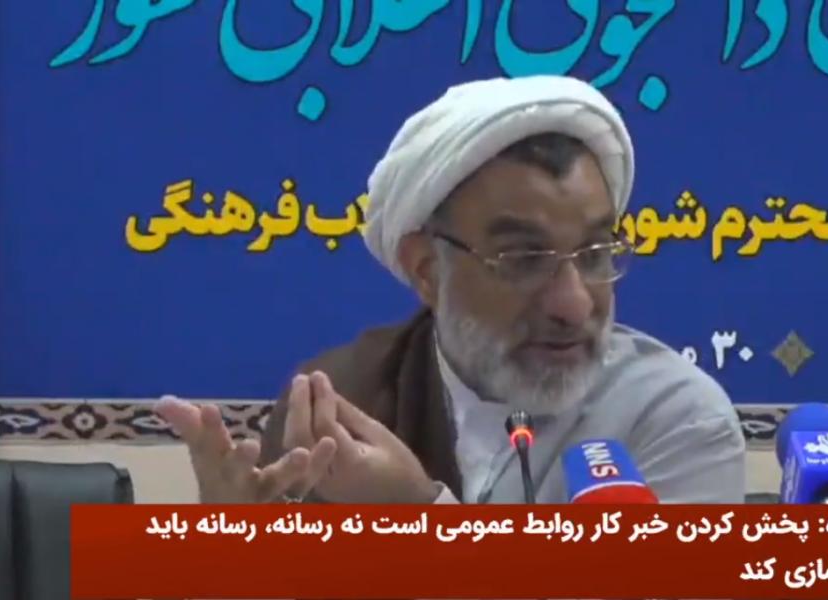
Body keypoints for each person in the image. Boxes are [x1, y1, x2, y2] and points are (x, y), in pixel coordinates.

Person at [157, 75, 746, 506]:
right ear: (426, 270)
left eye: (594, 255)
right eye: (524, 260)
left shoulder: (675, 420)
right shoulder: (336, 408)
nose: (573, 304)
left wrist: (419, 514)